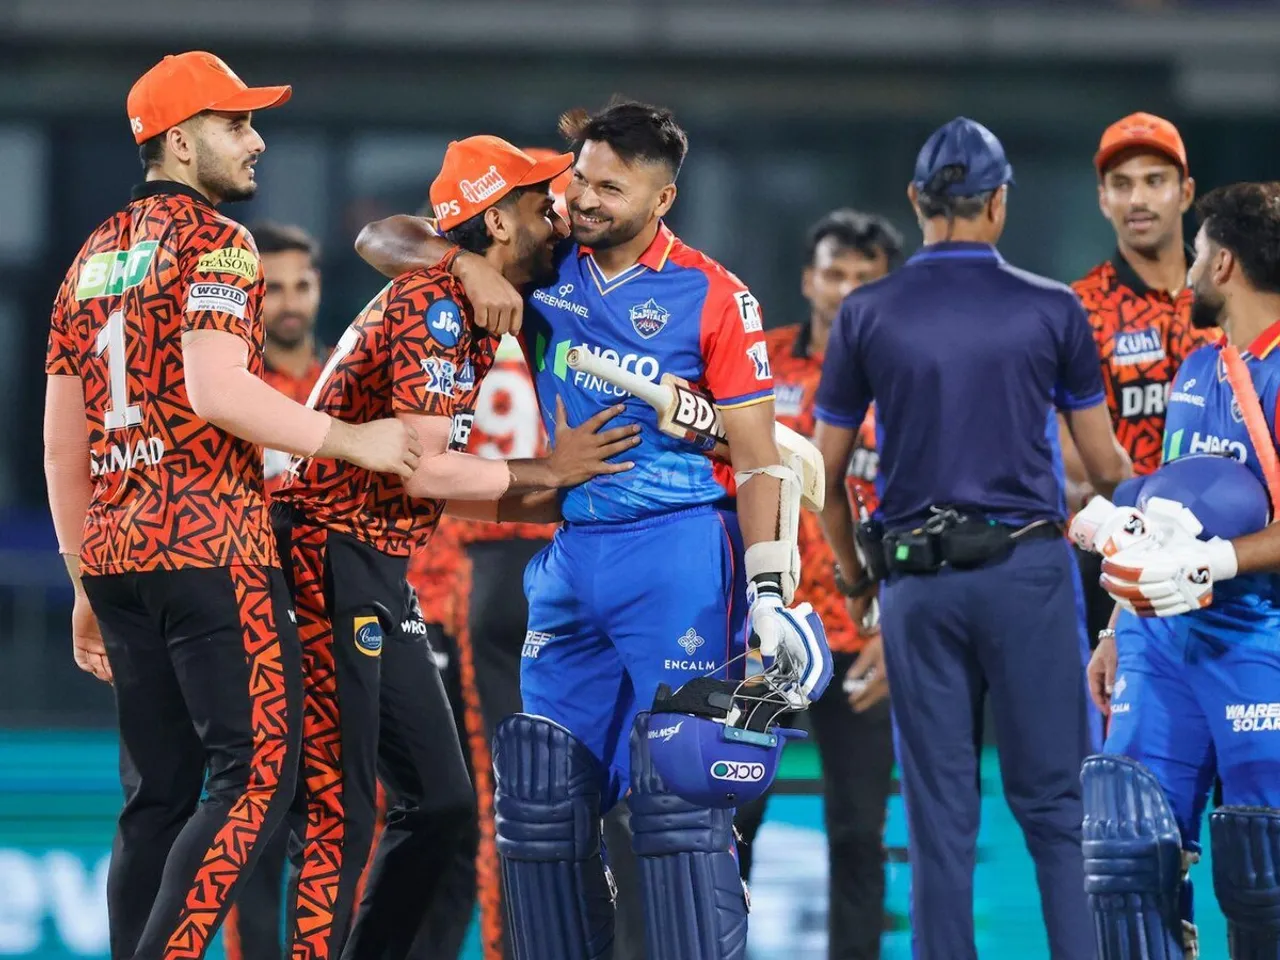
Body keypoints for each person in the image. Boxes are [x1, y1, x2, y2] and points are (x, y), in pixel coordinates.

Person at [355, 99, 831, 959]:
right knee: (544, 801)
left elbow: (762, 460)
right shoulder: (545, 265)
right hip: (572, 554)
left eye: (611, 188)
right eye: (579, 178)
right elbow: (383, 238)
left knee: (683, 797)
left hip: (681, 553)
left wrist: (767, 591)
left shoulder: (717, 295)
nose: (583, 198)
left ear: (663, 198)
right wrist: (467, 268)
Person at [41, 51, 419, 960]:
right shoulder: (219, 241)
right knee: (255, 780)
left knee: (159, 798)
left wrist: (83, 578)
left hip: (120, 556)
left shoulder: (87, 259)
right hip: (212, 547)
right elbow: (218, 391)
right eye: (235, 123)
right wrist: (354, 441)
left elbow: (62, 444)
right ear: (179, 141)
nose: (256, 142)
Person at [271, 134, 639, 960]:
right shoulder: (436, 304)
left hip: (374, 563)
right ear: (498, 222)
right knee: (339, 814)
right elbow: (421, 469)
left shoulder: (469, 300)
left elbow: (435, 484)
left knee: (440, 805)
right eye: (541, 205)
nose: (560, 218)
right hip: (325, 556)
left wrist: (557, 498)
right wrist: (550, 470)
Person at [810, 116, 1130, 960]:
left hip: (916, 585)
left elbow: (824, 473)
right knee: (1058, 811)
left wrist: (856, 579)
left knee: (939, 820)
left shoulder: (865, 312)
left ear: (917, 200)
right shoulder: (1053, 308)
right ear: (998, 204)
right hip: (1028, 577)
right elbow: (1106, 467)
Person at [1076, 181, 1280, 960]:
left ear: (1223, 264)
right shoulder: (1198, 368)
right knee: (1126, 853)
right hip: (1159, 641)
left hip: (1258, 637)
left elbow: (1204, 545)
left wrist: (1215, 560)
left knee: (1266, 871)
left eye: (1197, 255)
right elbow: (1160, 517)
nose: (1188, 273)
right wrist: (1116, 628)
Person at [732, 208, 902, 959]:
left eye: (867, 277)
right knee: (734, 822)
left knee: (860, 834)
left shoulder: (909, 379)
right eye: (836, 272)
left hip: (864, 640)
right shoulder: (758, 366)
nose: (848, 289)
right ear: (808, 280)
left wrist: (896, 622)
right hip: (765, 638)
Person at [1061, 112, 1213, 645]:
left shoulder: (1227, 295)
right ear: (1103, 199)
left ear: (1186, 192)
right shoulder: (1078, 308)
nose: (1138, 200)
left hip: (1222, 550)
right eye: (1121, 185)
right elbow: (1062, 445)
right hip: (1115, 555)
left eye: (1154, 181)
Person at [223, 220, 328, 960]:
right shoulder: (228, 392)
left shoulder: (342, 386)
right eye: (274, 288)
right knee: (252, 808)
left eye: (301, 285)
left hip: (332, 624)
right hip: (245, 622)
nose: (289, 302)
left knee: (337, 814)